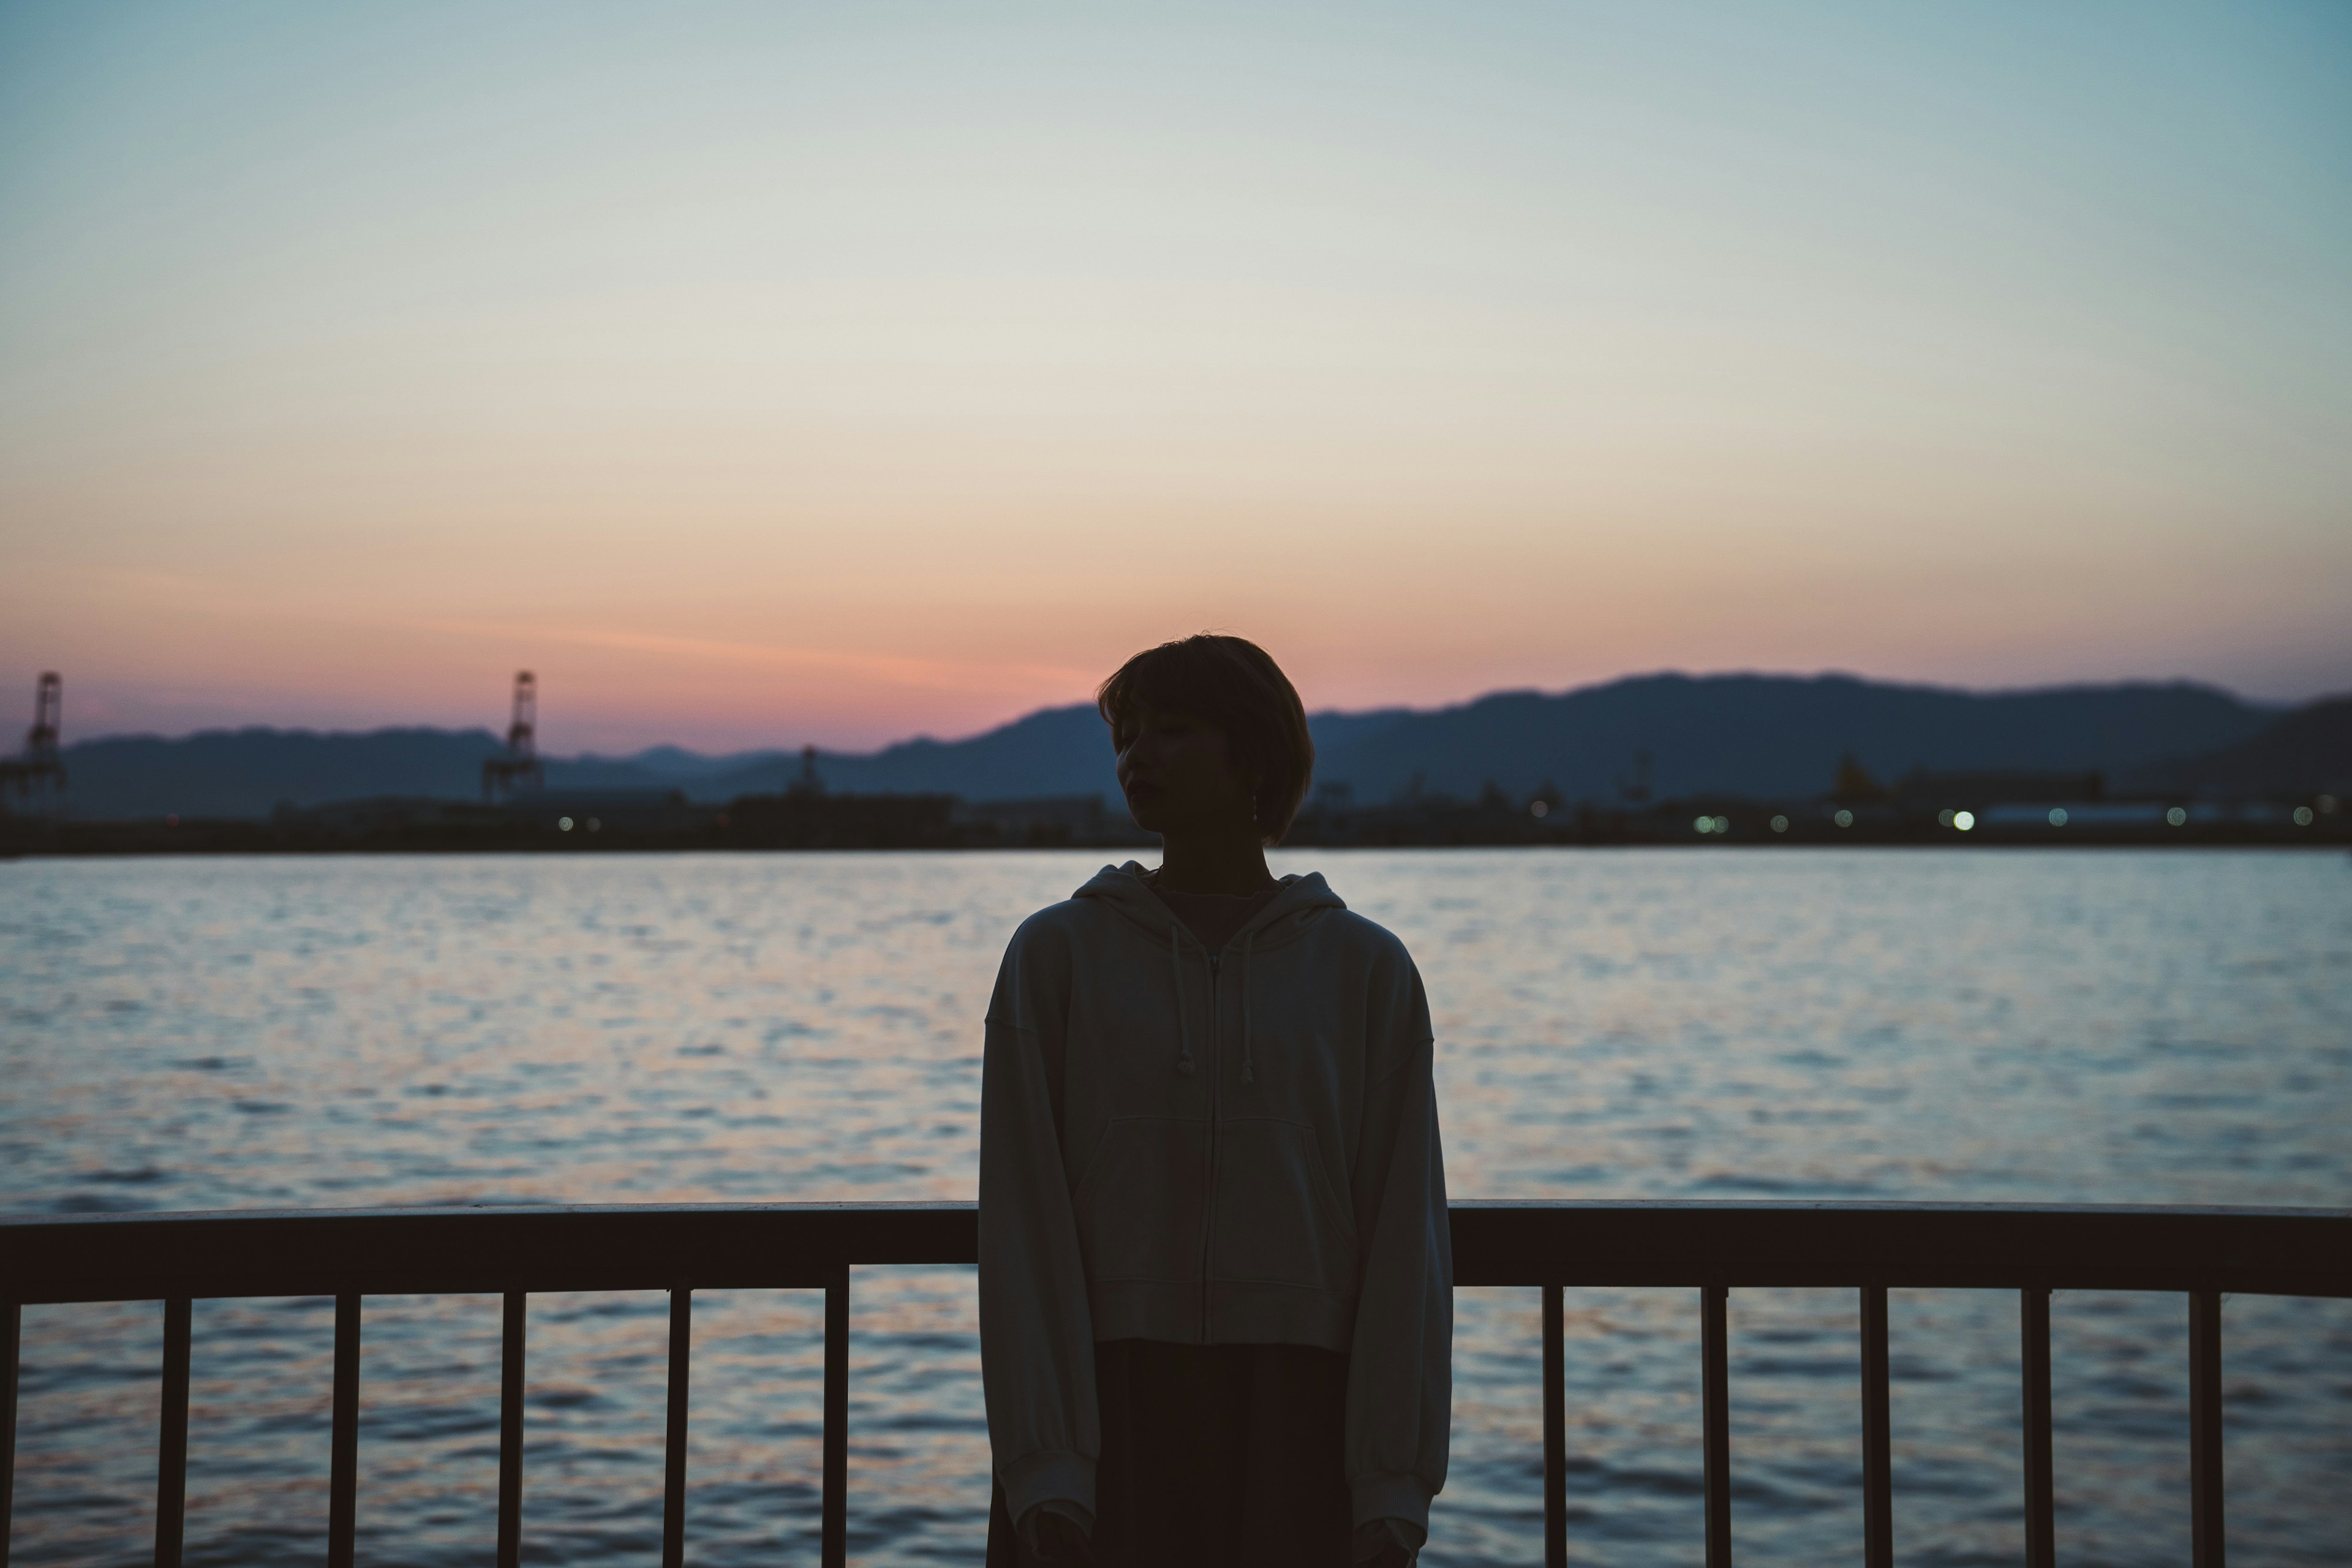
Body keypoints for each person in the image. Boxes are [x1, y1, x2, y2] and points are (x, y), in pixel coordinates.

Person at [979, 634, 1452, 1568]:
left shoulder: (1364, 969)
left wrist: (1391, 1487)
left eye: (1174, 731)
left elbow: (1407, 1237)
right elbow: (1022, 1224)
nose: (1136, 758)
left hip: (1298, 1416)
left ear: (1257, 758)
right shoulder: (1058, 957)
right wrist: (1046, 1470)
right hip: (1104, 1413)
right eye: (1128, 737)